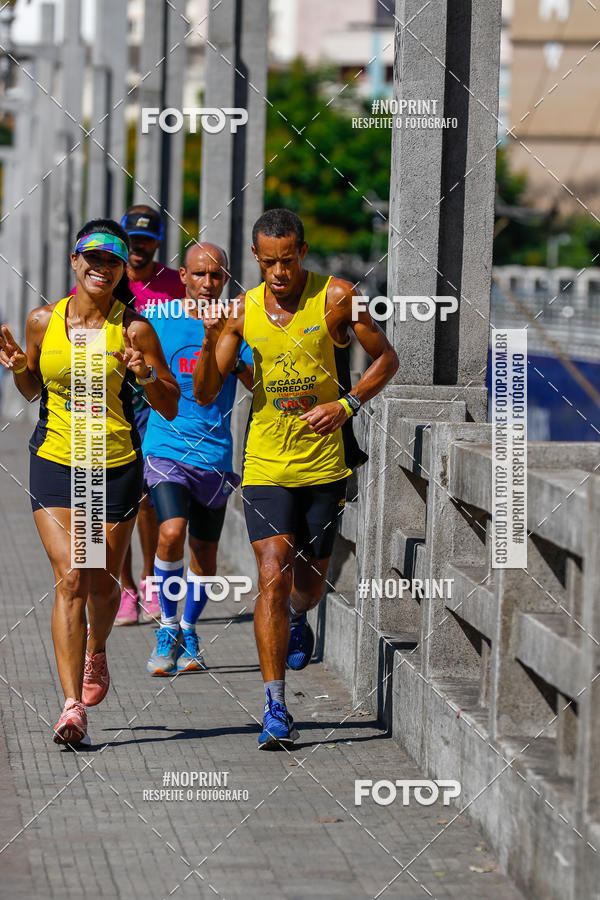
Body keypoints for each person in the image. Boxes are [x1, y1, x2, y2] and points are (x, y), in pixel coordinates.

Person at [194, 208, 399, 749]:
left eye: (288, 261)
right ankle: (275, 705)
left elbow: (387, 359)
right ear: (256, 260)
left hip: (323, 467)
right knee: (271, 570)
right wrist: (213, 337)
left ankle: (298, 616)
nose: (279, 274)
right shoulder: (242, 312)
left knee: (308, 586)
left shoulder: (336, 297)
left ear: (302, 253)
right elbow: (206, 392)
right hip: (264, 463)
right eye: (269, 264)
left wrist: (348, 404)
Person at [0, 219, 179, 746]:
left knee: (103, 583)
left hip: (114, 465)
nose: (102, 268)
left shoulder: (135, 328)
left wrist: (145, 372)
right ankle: (71, 707)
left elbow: (168, 403)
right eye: (93, 258)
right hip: (56, 461)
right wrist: (16, 368)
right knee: (73, 575)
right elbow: (34, 389)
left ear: (123, 269)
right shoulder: (42, 321)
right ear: (74, 262)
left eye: (113, 261)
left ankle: (96, 650)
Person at [143, 242, 253, 675]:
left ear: (225, 279)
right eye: (199, 274)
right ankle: (167, 628)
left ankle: (189, 629)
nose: (208, 283)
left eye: (217, 275)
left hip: (215, 455)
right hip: (165, 446)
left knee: (204, 554)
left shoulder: (235, 325)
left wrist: (226, 346)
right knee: (170, 532)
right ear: (183, 277)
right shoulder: (158, 320)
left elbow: (253, 380)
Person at [115, 205, 184, 626]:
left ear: (157, 242)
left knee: (146, 496)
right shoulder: (109, 278)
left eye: (146, 241)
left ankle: (149, 580)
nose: (138, 249)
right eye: (132, 241)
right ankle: (123, 589)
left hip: (154, 400)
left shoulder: (175, 285)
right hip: (113, 401)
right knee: (118, 497)